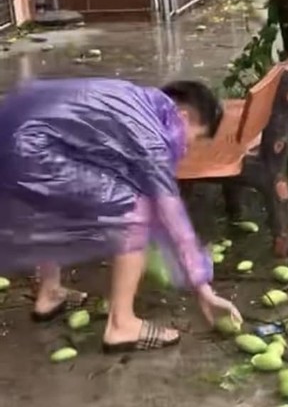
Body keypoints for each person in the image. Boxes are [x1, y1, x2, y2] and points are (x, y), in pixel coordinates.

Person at [0, 76, 242, 352]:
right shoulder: (150, 134)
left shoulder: (132, 99)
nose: (187, 148)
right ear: (183, 116)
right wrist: (204, 289)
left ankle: (50, 292)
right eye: (195, 138)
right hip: (30, 152)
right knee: (135, 209)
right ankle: (121, 324)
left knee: (52, 197)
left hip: (11, 138)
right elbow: (169, 216)